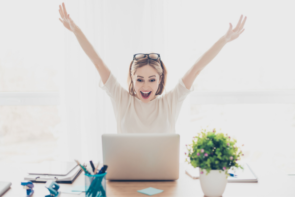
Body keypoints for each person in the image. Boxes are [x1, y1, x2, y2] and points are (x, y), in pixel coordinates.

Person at [58, 2, 247, 133]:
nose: (145, 86)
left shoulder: (171, 102)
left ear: (160, 80)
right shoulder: (121, 99)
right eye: (139, 80)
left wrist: (224, 40)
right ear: (132, 79)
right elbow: (97, 62)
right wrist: (75, 30)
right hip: (127, 175)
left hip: (163, 177)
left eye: (152, 79)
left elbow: (196, 68)